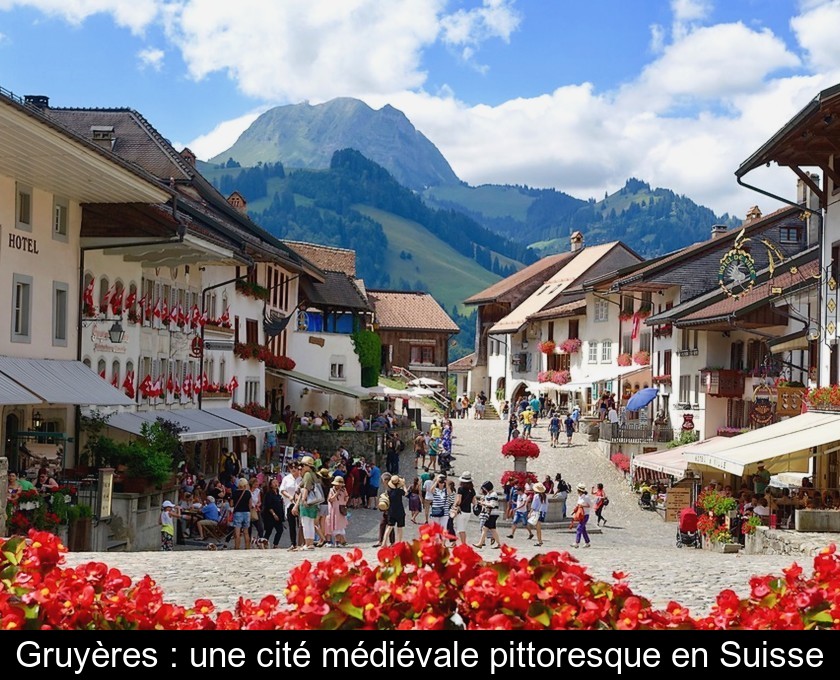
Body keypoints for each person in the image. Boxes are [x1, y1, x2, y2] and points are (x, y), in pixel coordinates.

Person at [295, 455, 321, 551]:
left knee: (305, 523)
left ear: (307, 465)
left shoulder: (307, 475)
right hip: (314, 502)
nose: (302, 467)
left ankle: (307, 543)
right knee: (310, 523)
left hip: (307, 502)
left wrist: (303, 500)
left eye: (303, 465)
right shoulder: (313, 474)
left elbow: (306, 488)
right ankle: (310, 543)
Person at [472, 481, 501, 549]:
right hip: (491, 513)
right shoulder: (489, 494)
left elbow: (492, 504)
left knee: (484, 528)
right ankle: (499, 544)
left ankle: (480, 543)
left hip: (493, 513)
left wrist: (483, 503)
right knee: (493, 529)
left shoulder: (493, 494)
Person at [280, 463, 302, 550]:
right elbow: (282, 490)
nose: (293, 469)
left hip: (300, 503)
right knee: (291, 524)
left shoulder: (302, 478)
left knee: (302, 524)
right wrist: (289, 496)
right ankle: (293, 543)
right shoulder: (286, 478)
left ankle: (303, 542)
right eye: (291, 467)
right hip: (289, 503)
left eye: (295, 467)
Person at [380, 475, 407, 545]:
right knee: (400, 528)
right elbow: (406, 493)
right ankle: (399, 543)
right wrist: (403, 485)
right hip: (400, 511)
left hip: (391, 511)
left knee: (389, 527)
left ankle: (384, 542)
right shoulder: (399, 491)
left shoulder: (389, 491)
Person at [453, 472, 476, 545]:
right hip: (468, 512)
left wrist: (455, 505)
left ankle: (464, 545)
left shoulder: (460, 489)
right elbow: (474, 502)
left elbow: (458, 501)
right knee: (462, 529)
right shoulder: (472, 490)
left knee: (460, 530)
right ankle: (458, 543)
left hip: (461, 511)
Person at [261, 477, 285, 549]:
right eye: (274, 483)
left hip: (279, 515)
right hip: (270, 516)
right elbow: (268, 505)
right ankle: (264, 543)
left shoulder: (279, 493)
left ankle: (275, 544)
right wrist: (274, 514)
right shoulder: (269, 494)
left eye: (277, 482)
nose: (276, 484)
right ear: (271, 485)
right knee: (269, 531)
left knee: (280, 530)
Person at [230, 477, 252, 550]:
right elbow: (250, 505)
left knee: (237, 533)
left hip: (238, 513)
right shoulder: (248, 493)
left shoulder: (235, 492)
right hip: (246, 513)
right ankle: (247, 547)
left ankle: (237, 547)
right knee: (246, 532)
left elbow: (231, 504)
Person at [328, 477, 349, 547]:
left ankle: (339, 541)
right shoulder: (332, 490)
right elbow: (330, 499)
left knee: (341, 526)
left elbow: (346, 498)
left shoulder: (344, 490)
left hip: (341, 510)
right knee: (336, 526)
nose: (339, 486)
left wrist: (345, 500)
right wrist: (337, 493)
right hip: (334, 510)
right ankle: (341, 541)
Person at [571, 482, 592, 548]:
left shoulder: (586, 497)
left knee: (579, 528)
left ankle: (577, 543)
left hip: (585, 515)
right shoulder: (580, 497)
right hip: (581, 515)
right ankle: (587, 542)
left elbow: (590, 505)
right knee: (583, 529)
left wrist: (583, 505)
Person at [530, 482, 548, 546]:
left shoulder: (536, 496)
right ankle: (540, 540)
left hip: (537, 512)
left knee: (538, 529)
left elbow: (533, 506)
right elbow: (546, 506)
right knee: (538, 528)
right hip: (542, 513)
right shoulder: (545, 496)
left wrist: (530, 513)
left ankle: (540, 541)